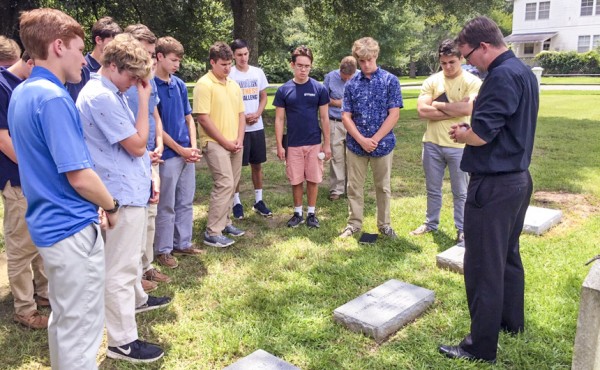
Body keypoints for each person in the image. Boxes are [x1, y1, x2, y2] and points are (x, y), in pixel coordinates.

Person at [8, 8, 119, 369]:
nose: (83, 59)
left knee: (64, 320)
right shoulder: (54, 98)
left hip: (47, 226)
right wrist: (111, 205)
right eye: (79, 47)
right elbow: (80, 176)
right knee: (82, 329)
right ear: (58, 46)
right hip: (70, 228)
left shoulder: (23, 92)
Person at [439, 16, 538, 363]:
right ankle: (511, 323)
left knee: (482, 264)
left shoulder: (498, 76)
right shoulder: (523, 72)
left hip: (493, 186)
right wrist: (476, 127)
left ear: (484, 47)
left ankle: (479, 347)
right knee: (508, 256)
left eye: (467, 55)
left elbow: (481, 136)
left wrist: (465, 134)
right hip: (518, 180)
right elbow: (502, 124)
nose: (467, 62)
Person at [77, 33, 171, 363]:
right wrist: (145, 103)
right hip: (118, 195)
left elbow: (136, 146)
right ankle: (122, 342)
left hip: (129, 190)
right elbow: (135, 144)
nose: (134, 85)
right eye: (132, 77)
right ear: (113, 65)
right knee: (117, 270)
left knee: (127, 263)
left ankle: (132, 310)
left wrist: (146, 176)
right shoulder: (100, 96)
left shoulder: (112, 90)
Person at [410, 39, 481, 243]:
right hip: (432, 143)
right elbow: (422, 111)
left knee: (460, 192)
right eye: (444, 63)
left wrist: (438, 106)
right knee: (433, 189)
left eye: (452, 62)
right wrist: (454, 109)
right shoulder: (432, 81)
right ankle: (431, 223)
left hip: (459, 145)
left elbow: (468, 109)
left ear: (461, 59)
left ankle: (462, 228)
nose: (448, 67)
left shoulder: (472, 81)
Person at [0, 50, 50, 330]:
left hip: (33, 179)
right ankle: (25, 310)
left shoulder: (25, 85)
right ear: (30, 61)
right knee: (20, 247)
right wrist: (36, 168)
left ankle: (44, 296)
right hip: (17, 179)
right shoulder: (2, 86)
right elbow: (3, 140)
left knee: (40, 241)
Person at [122, 24, 171, 291]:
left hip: (150, 155)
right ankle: (133, 275)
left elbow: (153, 114)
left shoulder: (147, 79)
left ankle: (146, 266)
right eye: (146, 52)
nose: (151, 59)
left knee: (149, 214)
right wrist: (143, 149)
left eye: (153, 54)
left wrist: (160, 142)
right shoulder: (121, 82)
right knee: (134, 218)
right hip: (133, 157)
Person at [339, 37, 402, 239]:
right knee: (354, 187)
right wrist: (361, 139)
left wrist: (374, 138)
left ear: (376, 55)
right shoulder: (351, 85)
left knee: (383, 187)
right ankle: (354, 224)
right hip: (356, 146)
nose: (366, 64)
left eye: (369, 59)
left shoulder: (390, 80)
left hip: (382, 145)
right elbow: (345, 115)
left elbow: (394, 114)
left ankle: (384, 225)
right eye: (361, 60)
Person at [154, 36, 203, 267]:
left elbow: (188, 118)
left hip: (186, 153)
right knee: (166, 203)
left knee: (185, 200)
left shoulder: (180, 84)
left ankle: (182, 243)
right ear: (159, 56)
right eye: (173, 60)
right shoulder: (150, 85)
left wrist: (192, 147)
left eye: (179, 61)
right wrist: (180, 149)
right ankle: (163, 250)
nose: (177, 65)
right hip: (168, 155)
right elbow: (157, 126)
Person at [194, 41, 246, 247]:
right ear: (212, 62)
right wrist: (225, 142)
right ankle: (212, 232)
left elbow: (241, 114)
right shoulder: (204, 84)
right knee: (224, 183)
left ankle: (225, 222)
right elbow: (203, 118)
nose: (227, 68)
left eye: (229, 64)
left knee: (232, 184)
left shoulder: (233, 84)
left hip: (234, 142)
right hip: (214, 142)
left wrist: (239, 139)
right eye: (223, 64)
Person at [274, 46, 331, 228]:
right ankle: (298, 213)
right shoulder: (284, 90)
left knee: (313, 179)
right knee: (296, 179)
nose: (303, 69)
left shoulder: (319, 89)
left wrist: (327, 144)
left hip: (314, 141)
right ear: (292, 65)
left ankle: (312, 214)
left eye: (307, 66)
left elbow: (324, 117)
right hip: (293, 143)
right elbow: (279, 119)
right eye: (299, 65)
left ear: (311, 66)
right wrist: (279, 145)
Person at [229, 39, 272, 219]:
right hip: (238, 128)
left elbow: (263, 96)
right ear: (233, 55)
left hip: (256, 126)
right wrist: (242, 116)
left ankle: (258, 200)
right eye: (239, 55)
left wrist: (258, 113)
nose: (243, 58)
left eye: (245, 54)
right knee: (236, 167)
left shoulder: (257, 72)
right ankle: (236, 202)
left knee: (257, 164)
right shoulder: (229, 74)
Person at [324, 56, 358, 201]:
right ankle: (336, 189)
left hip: (354, 122)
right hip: (335, 121)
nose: (347, 80)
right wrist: (339, 103)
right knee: (336, 156)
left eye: (350, 77)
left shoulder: (360, 77)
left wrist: (340, 102)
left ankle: (352, 188)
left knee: (353, 157)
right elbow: (323, 100)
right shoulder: (330, 77)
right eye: (344, 77)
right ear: (340, 70)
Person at [66, 16, 122, 101]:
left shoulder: (114, 68)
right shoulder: (82, 68)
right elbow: (75, 102)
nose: (117, 47)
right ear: (98, 40)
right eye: (113, 42)